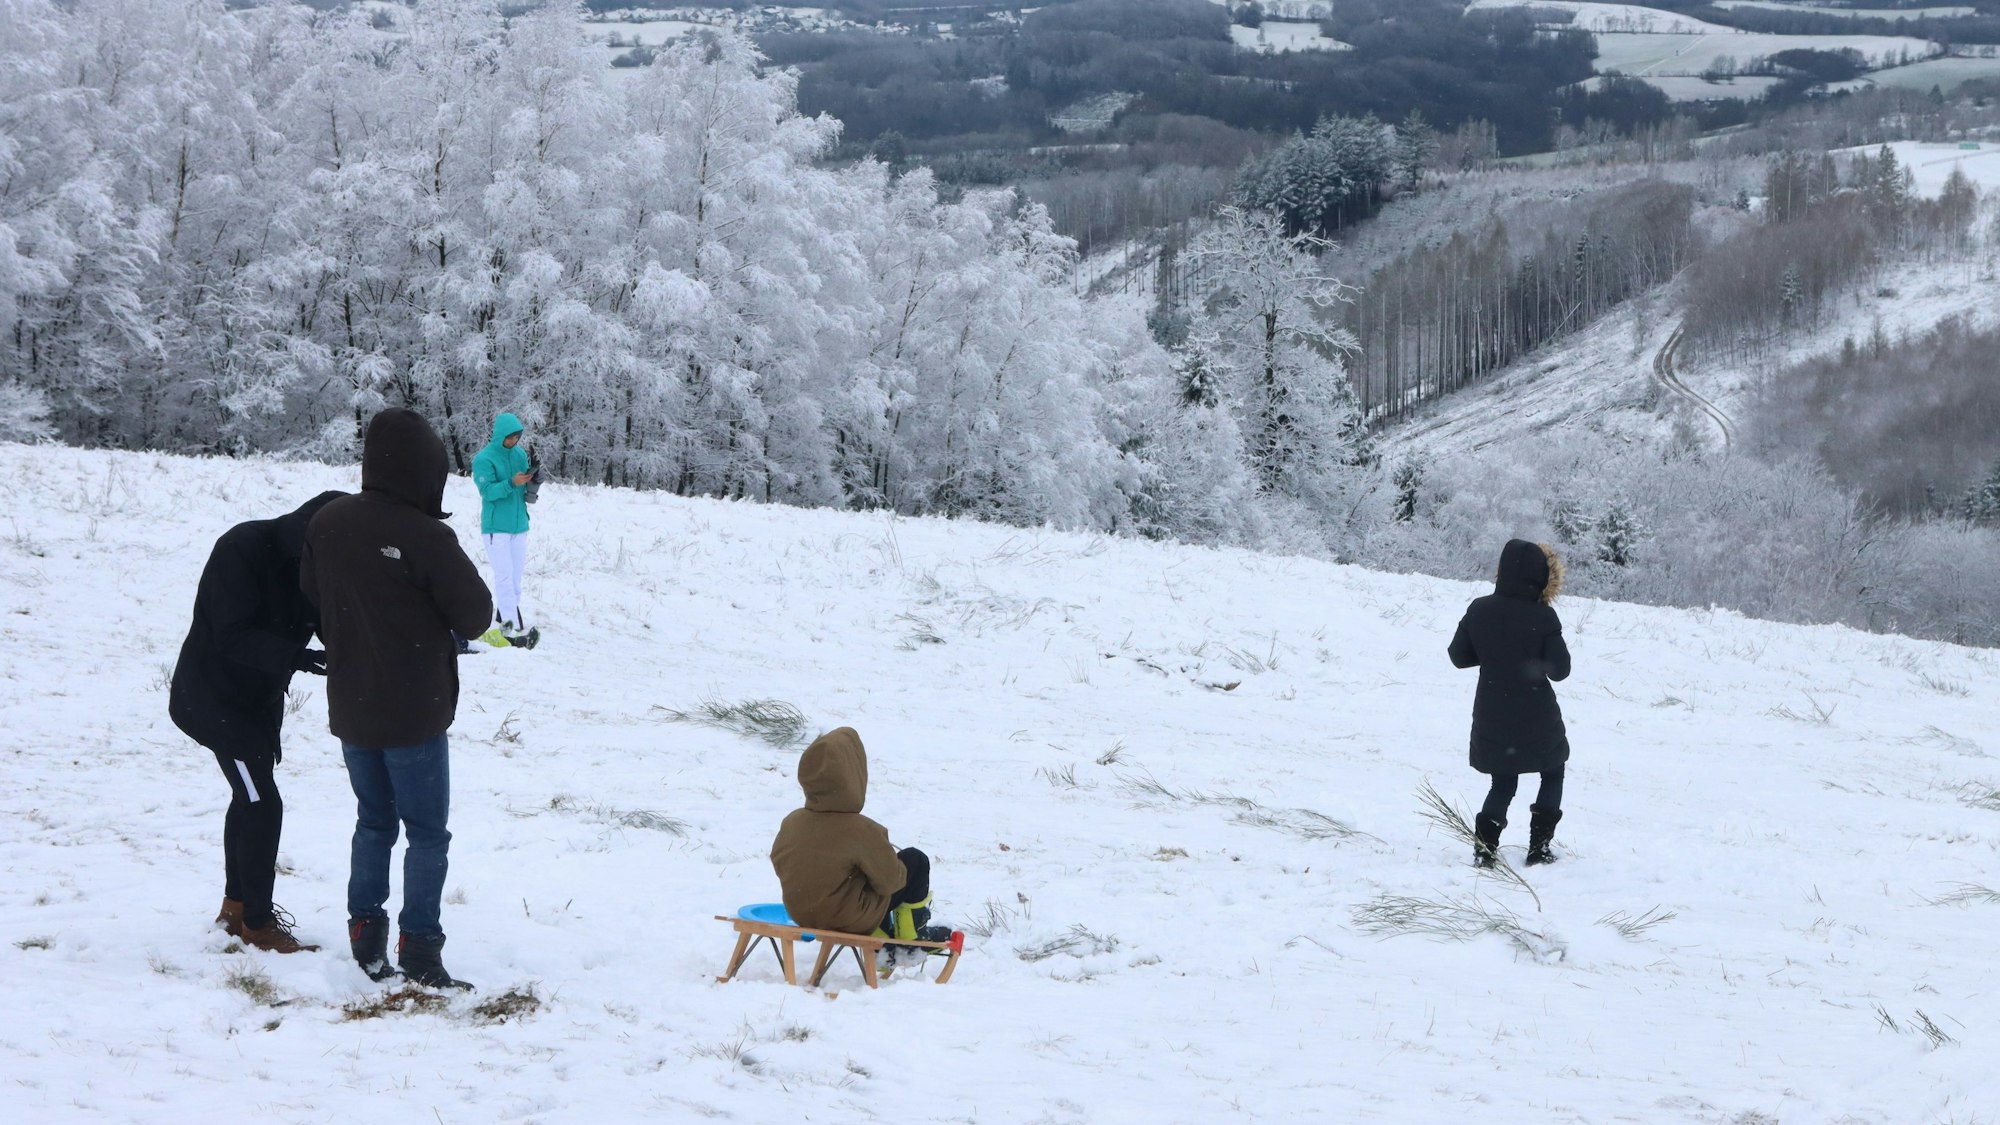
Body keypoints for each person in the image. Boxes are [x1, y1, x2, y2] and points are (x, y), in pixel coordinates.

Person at [301, 407, 493, 989]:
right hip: (415, 711)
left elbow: (312, 594)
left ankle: (366, 935)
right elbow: (478, 615)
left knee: (373, 823)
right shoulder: (426, 535)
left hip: (353, 704)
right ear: (424, 469)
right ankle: (421, 949)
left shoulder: (327, 521)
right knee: (427, 833)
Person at [170, 490, 345, 953]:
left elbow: (332, 620)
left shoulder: (320, 564)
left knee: (248, 796)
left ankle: (235, 909)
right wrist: (298, 657)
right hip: (215, 699)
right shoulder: (243, 547)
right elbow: (230, 634)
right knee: (262, 802)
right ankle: (259, 924)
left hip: (255, 701)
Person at [1448, 539, 1572, 868]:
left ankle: (1485, 851)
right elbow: (1561, 671)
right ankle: (1539, 849)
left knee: (1502, 782)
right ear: (1542, 578)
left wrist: (1493, 654)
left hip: (1492, 712)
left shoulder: (1479, 609)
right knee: (1553, 772)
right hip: (1537, 714)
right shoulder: (1544, 617)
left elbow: (1458, 656)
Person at [770, 728, 950, 952]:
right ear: (854, 776)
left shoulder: (792, 821)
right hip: (850, 918)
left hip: (800, 913)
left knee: (855, 876)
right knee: (915, 860)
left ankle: (882, 930)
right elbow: (891, 882)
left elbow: (779, 860)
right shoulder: (862, 830)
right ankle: (913, 934)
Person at [470, 411, 536, 648]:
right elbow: (487, 492)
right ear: (500, 435)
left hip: (519, 525)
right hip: (496, 527)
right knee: (504, 575)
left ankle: (505, 613)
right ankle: (509, 624)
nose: (514, 441)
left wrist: (532, 484)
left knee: (516, 576)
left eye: (517, 437)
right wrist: (511, 483)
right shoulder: (484, 459)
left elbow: (522, 483)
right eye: (510, 437)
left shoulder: (519, 454)